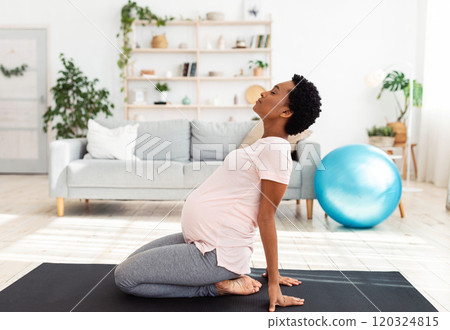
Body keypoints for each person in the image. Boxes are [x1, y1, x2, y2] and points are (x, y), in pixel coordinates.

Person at [114, 74, 322, 312]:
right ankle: (233, 273)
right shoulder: (264, 144)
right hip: (202, 242)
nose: (264, 92)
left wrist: (274, 282)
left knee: (125, 278)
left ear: (286, 113)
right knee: (128, 263)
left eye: (274, 92)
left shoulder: (276, 151)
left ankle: (215, 287)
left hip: (214, 254)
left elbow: (266, 217)